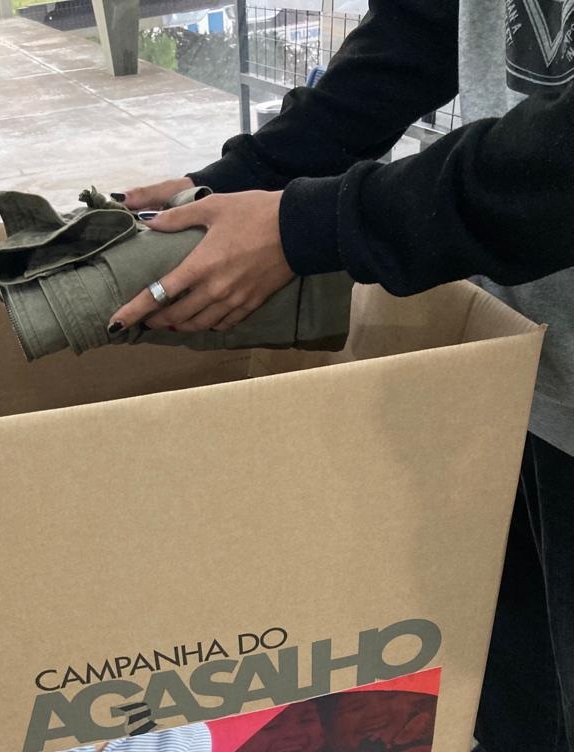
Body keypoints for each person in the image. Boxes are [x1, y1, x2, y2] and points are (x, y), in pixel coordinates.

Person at [104, 2, 574, 751]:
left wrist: (310, 225)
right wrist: (241, 179)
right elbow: (421, 30)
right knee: (509, 695)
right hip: (515, 368)